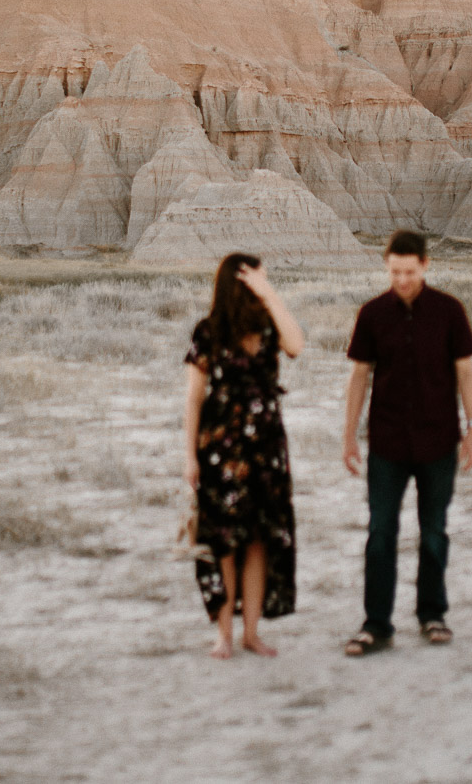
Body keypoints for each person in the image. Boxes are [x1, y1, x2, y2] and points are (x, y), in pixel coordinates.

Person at [341, 230, 472, 656]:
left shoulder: (448, 312)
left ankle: (432, 615)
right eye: (394, 271)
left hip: (438, 440)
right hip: (386, 442)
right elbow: (359, 376)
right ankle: (377, 625)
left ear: (425, 265)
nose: (401, 279)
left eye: (409, 271)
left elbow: (466, 373)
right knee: (381, 532)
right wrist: (349, 434)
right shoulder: (372, 314)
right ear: (387, 266)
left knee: (434, 531)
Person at [182, 252, 305, 659]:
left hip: (267, 452)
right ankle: (224, 635)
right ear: (239, 283)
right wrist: (189, 457)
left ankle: (251, 632)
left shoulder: (270, 328)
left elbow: (297, 345)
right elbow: (193, 401)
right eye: (257, 280)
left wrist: (272, 296)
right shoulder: (208, 332)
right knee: (224, 544)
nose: (262, 286)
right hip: (220, 453)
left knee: (258, 541)